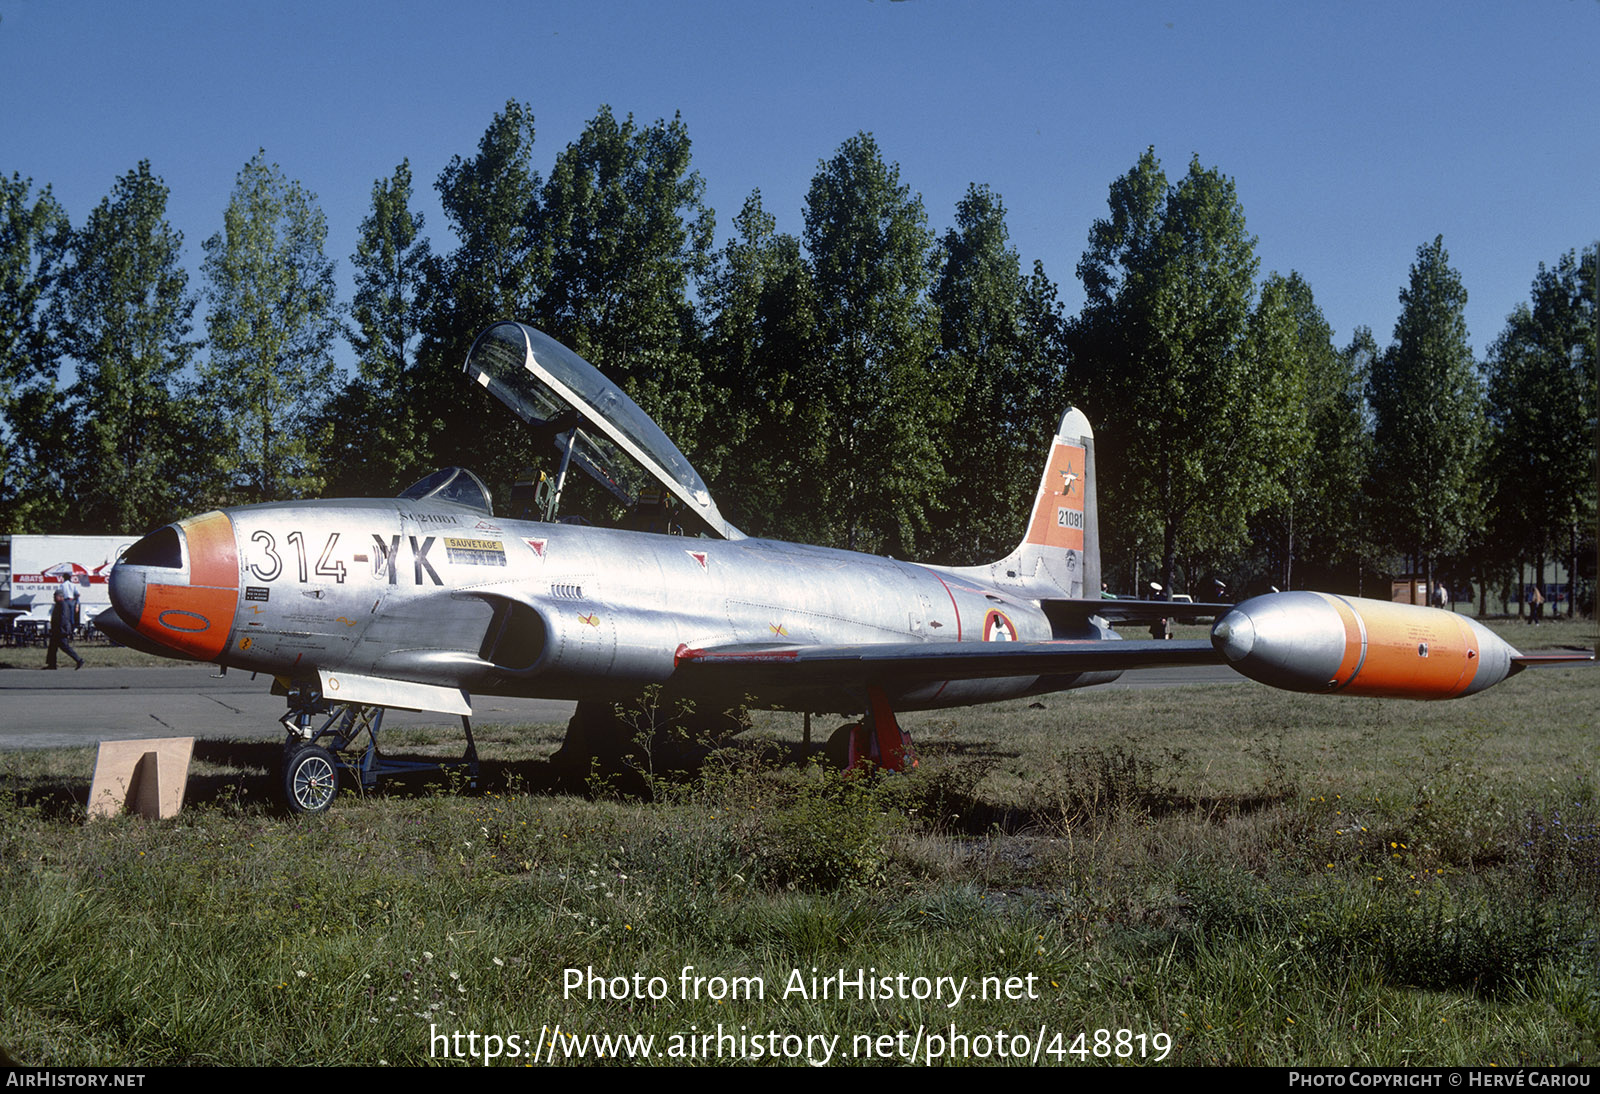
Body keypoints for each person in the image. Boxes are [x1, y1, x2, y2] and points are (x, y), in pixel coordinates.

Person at [45, 588, 84, 670]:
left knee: (65, 647)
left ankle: (79, 660)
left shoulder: (63, 605)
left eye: (55, 596)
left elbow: (63, 618)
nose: (54, 598)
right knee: (52, 647)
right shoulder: (58, 604)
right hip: (57, 630)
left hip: (61, 630)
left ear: (60, 597)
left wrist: (61, 629)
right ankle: (52, 664)